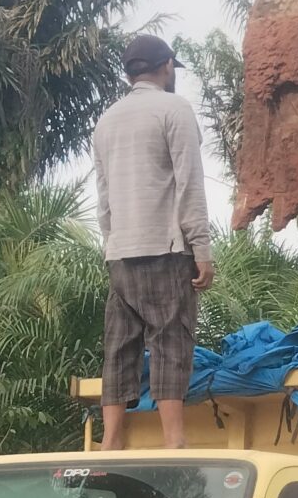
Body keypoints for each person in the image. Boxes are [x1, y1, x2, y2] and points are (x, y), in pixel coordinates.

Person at [92, 33, 215, 449]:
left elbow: (104, 196)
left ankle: (110, 441)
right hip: (165, 248)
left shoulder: (107, 120)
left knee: (119, 346)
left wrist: (113, 243)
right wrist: (202, 249)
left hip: (121, 251)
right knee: (170, 340)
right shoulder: (174, 110)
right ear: (166, 67)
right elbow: (189, 186)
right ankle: (174, 441)